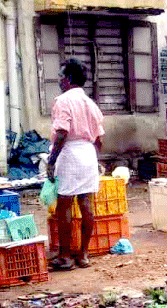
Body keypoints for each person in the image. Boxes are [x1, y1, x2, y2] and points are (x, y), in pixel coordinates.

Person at [47, 58, 105, 271]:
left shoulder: (63, 101)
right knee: (86, 203)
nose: (59, 81)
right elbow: (99, 138)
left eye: (61, 76)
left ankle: (65, 256)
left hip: (70, 152)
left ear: (69, 79)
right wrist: (93, 158)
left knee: (65, 204)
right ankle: (83, 254)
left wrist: (51, 161)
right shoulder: (91, 103)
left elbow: (61, 132)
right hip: (88, 153)